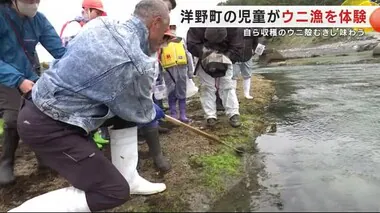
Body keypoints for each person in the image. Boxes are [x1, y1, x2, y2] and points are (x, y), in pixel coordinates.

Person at [8, 0, 170, 211]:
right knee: (113, 191)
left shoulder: (100, 24)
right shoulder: (137, 64)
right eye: (165, 29)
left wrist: (140, 108)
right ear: (155, 23)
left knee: (125, 115)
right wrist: (148, 110)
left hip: (41, 104)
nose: (165, 37)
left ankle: (130, 178)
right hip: (47, 125)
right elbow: (142, 112)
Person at [0, 0, 66, 185]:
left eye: (37, 0)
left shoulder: (38, 20)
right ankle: (6, 163)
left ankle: (44, 158)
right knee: (14, 116)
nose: (34, 4)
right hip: (4, 75)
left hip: (30, 72)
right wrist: (18, 80)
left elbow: (60, 51)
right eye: (29, 1)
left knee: (42, 111)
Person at [60, 0, 110, 148]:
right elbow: (71, 54)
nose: (99, 16)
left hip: (90, 74)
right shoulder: (73, 27)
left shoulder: (91, 28)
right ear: (87, 10)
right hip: (75, 77)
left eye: (101, 13)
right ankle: (82, 142)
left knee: (92, 107)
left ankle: (94, 135)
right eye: (97, 12)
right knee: (79, 110)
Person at [137, 0, 177, 173]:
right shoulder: (137, 33)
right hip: (128, 89)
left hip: (146, 87)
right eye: (166, 6)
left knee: (149, 116)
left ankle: (157, 155)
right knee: (129, 122)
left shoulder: (159, 34)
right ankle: (131, 159)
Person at [187, 27, 243, 128]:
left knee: (227, 86)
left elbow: (237, 46)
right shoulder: (198, 23)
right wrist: (207, 54)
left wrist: (224, 57)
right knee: (207, 87)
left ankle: (233, 113)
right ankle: (210, 115)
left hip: (226, 55)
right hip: (204, 56)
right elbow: (192, 44)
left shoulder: (232, 25)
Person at [161, 24, 194, 123]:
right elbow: (158, 57)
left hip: (181, 68)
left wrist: (190, 71)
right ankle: (173, 114)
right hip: (168, 69)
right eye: (170, 27)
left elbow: (188, 54)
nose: (172, 29)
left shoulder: (181, 40)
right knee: (171, 91)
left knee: (182, 90)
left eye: (173, 27)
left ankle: (183, 114)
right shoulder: (162, 41)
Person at [232, 28, 261, 99]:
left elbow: (255, 42)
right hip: (234, 56)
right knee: (233, 76)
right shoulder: (232, 28)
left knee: (247, 75)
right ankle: (233, 94)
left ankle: (246, 94)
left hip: (248, 55)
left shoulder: (252, 29)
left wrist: (254, 50)